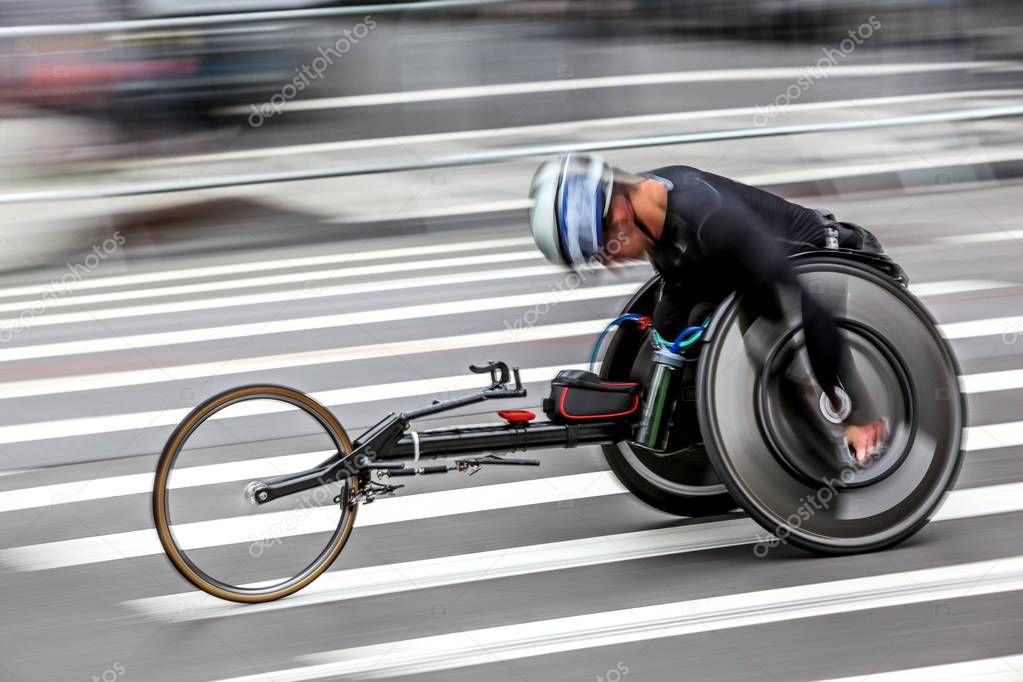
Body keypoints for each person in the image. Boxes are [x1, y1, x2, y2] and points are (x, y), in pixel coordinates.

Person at [528, 153, 887, 465]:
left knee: (775, 362)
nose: (608, 264)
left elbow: (811, 303)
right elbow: (678, 293)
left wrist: (854, 409)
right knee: (672, 334)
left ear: (620, 212)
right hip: (744, 277)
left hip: (826, 264)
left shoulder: (712, 221)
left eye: (600, 249)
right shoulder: (651, 204)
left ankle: (841, 466)